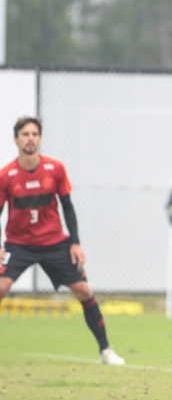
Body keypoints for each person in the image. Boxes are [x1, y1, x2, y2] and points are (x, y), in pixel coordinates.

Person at [0, 116, 124, 365]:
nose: (30, 138)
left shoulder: (55, 169)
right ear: (16, 140)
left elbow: (68, 207)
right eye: (25, 134)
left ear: (40, 138)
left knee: (84, 289)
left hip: (54, 242)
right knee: (1, 287)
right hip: (19, 244)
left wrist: (75, 242)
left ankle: (106, 350)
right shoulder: (6, 175)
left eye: (34, 134)